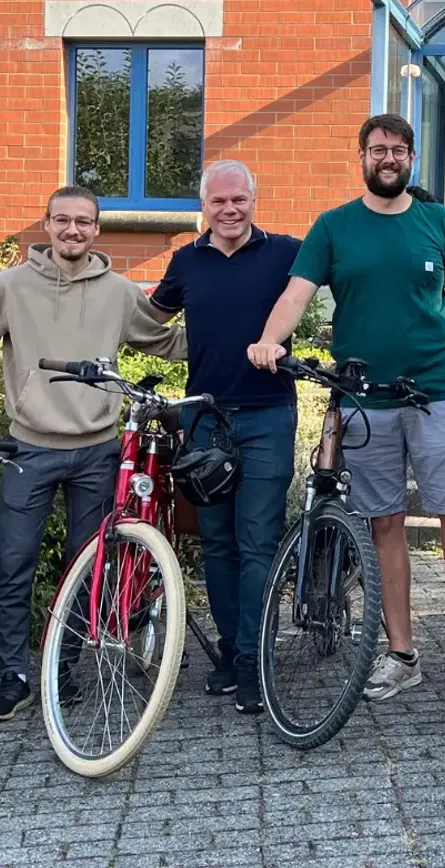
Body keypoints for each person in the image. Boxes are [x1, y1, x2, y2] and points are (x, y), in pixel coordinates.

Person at [248, 115, 445, 701]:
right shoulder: (334, 226)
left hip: (435, 393)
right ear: (361, 157)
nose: (389, 158)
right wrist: (269, 340)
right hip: (363, 401)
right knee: (384, 524)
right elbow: (296, 293)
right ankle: (402, 654)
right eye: (378, 149)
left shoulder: (438, 222)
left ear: (411, 158)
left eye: (399, 150)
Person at [0, 185, 186, 723]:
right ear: (47, 224)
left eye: (83, 221)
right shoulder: (10, 287)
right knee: (14, 566)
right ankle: (14, 678)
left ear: (97, 229)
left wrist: (236, 334)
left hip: (97, 451)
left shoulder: (118, 293)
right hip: (28, 448)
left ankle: (62, 670)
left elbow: (166, 342)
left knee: (85, 568)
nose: (72, 229)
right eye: (62, 220)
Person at [149, 161, 301, 716]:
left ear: (254, 200)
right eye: (218, 201)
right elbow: (147, 318)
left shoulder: (286, 253)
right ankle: (232, 649)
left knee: (256, 541)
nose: (229, 209)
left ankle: (254, 659)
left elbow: (342, 287)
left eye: (239, 199)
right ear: (203, 206)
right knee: (216, 541)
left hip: (267, 415)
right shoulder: (186, 260)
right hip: (204, 419)